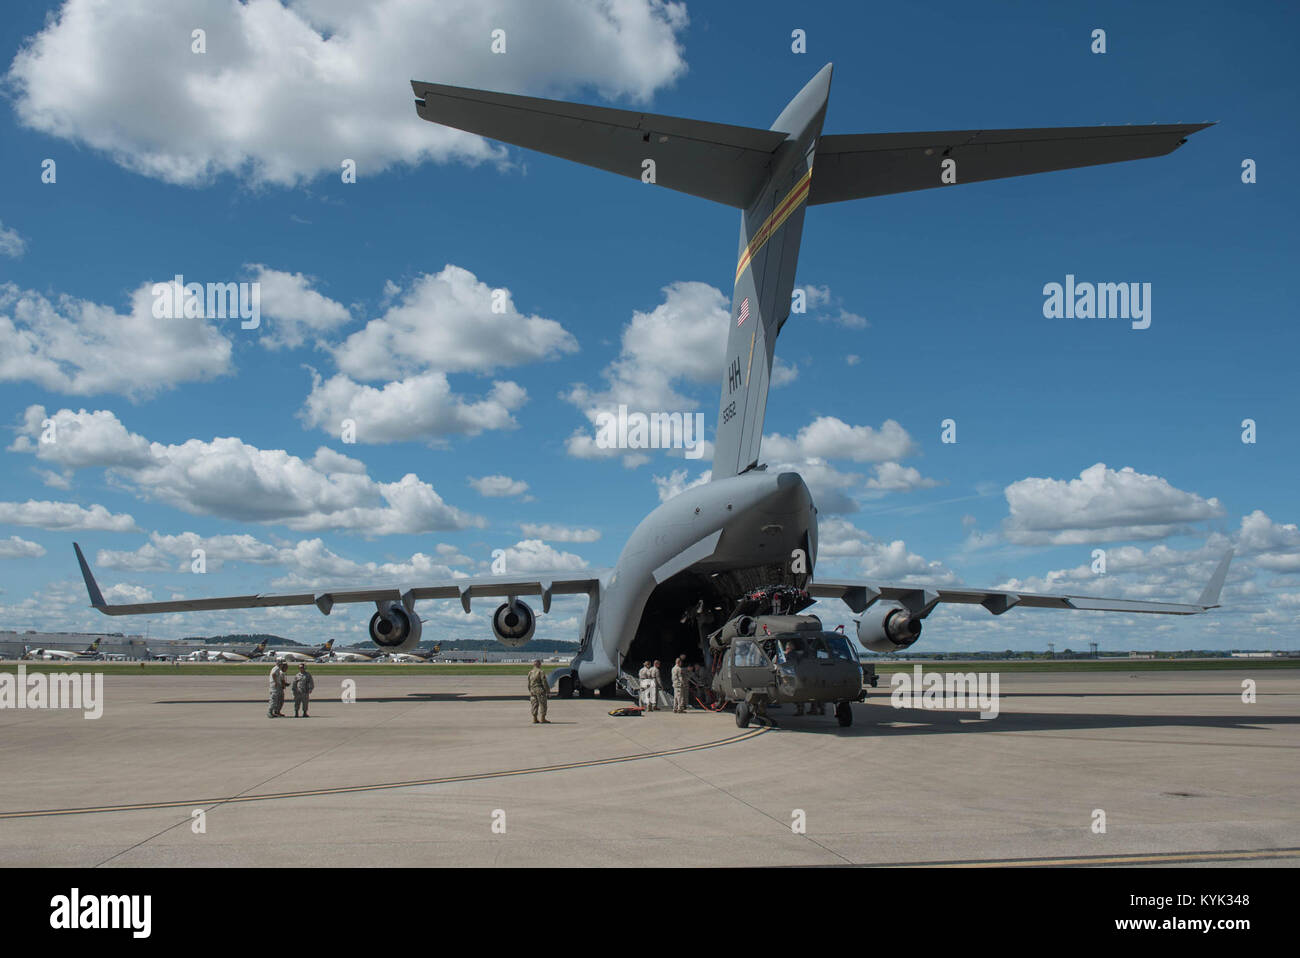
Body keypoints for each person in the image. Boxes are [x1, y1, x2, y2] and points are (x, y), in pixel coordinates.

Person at [527, 659, 550, 724]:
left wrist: (530, 690)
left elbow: (528, 683)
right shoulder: (541, 672)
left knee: (534, 704)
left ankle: (534, 719)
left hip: (532, 690)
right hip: (540, 690)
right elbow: (544, 682)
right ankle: (543, 718)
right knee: (543, 704)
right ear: (539, 665)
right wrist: (548, 690)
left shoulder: (530, 672)